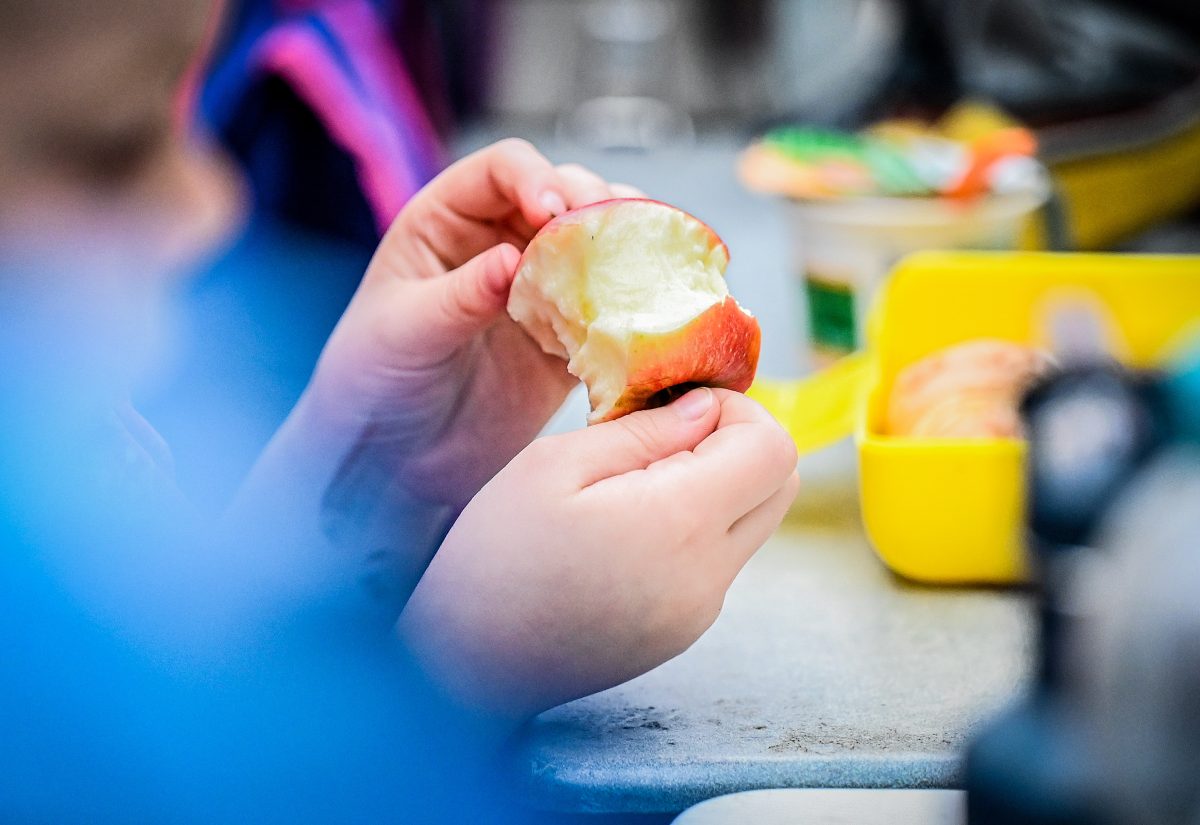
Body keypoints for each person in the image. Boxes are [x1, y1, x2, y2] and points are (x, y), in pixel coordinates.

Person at [0, 0, 799, 820]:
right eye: (110, 153)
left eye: (179, 114)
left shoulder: (77, 430)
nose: (209, 204)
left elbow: (195, 658)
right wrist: (460, 670)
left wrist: (372, 467)